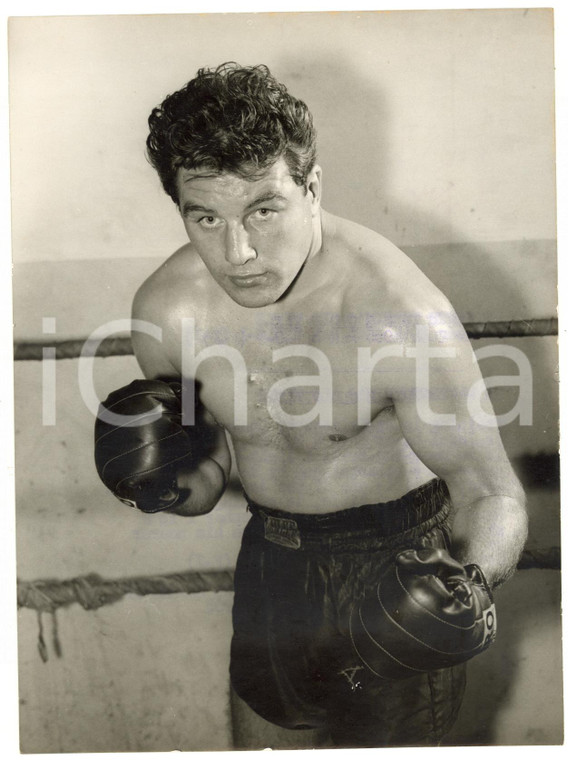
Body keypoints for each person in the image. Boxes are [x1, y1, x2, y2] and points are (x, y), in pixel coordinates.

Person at [94, 63, 528, 748]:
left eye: (264, 210)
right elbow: (206, 481)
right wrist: (162, 487)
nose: (238, 253)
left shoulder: (400, 316)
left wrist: (464, 586)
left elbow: (494, 493)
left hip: (400, 567)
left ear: (312, 189)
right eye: (205, 217)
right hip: (274, 565)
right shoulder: (168, 312)